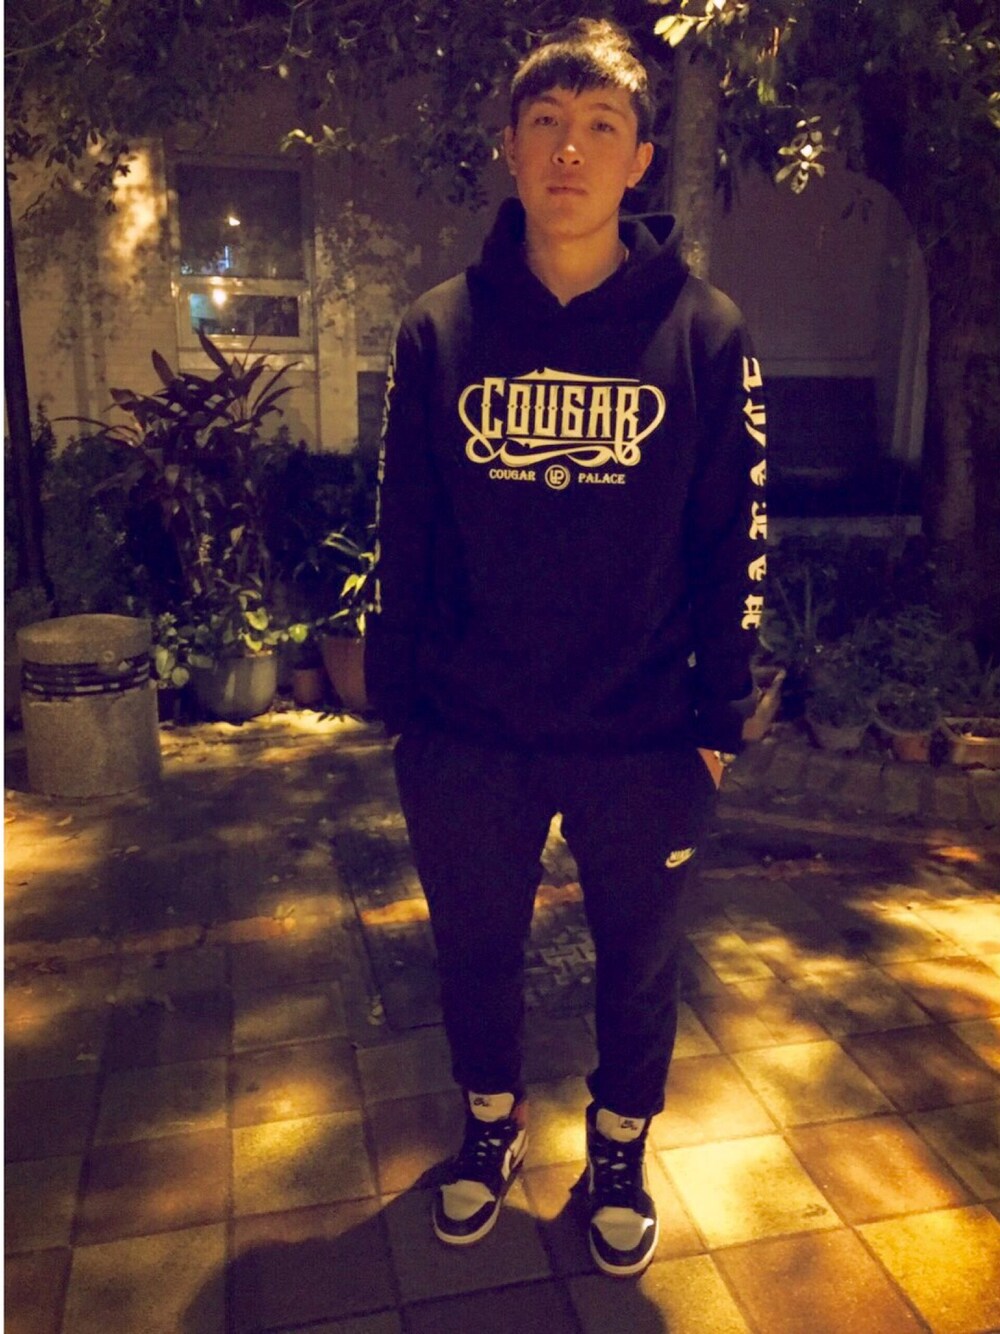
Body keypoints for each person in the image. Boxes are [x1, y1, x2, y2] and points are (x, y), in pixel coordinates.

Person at [366, 16, 770, 1278]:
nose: (569, 151)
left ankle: (616, 1144)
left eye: (600, 127)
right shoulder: (439, 327)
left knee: (638, 961)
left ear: (638, 159)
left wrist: (717, 717)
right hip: (468, 729)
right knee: (474, 948)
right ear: (509, 146)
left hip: (642, 731)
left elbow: (737, 535)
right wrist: (403, 704)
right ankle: (489, 1124)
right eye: (545, 123)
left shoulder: (703, 331)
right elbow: (402, 522)